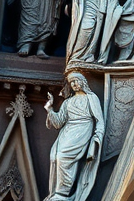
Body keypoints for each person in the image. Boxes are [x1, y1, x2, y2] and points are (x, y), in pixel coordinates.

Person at [44, 72, 104, 201]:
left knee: (63, 157)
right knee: (54, 157)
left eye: (76, 81)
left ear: (83, 82)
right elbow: (59, 122)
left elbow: (99, 120)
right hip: (67, 130)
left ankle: (62, 193)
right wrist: (49, 109)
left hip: (82, 129)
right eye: (72, 82)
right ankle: (55, 193)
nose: (74, 84)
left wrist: (97, 137)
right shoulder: (68, 102)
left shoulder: (91, 98)